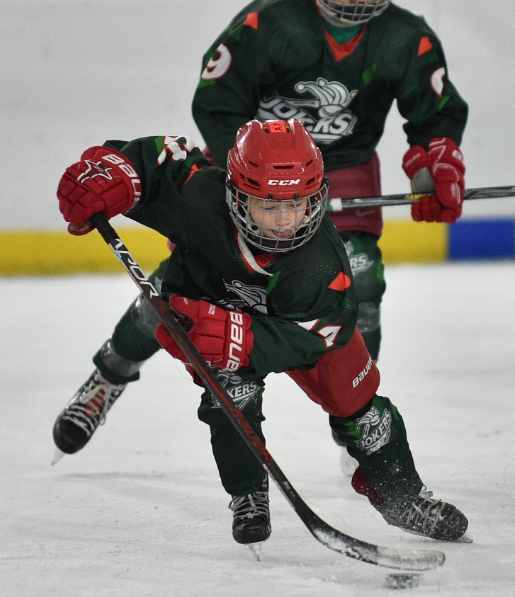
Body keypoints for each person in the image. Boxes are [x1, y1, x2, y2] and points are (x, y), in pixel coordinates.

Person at [50, 119, 469, 549]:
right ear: (235, 195)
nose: (285, 221)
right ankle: (246, 491)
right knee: (225, 390)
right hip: (210, 298)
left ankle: (402, 497)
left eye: (297, 204)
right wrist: (116, 173)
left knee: (363, 410)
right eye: (268, 207)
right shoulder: (202, 198)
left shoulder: (322, 262)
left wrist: (244, 338)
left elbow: (322, 333)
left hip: (291, 327)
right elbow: (158, 160)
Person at [189, 0, 469, 367]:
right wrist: (245, 175)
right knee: (188, 281)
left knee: (360, 289)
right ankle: (111, 370)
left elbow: (434, 114)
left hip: (344, 170)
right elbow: (217, 105)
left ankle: (359, 414)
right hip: (258, 184)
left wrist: (434, 160)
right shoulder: (267, 24)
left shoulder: (407, 37)